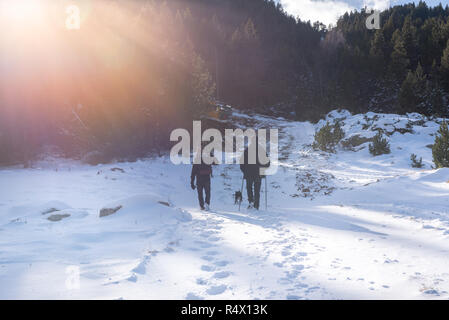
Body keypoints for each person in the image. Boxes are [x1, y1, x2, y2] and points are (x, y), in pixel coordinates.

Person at [240, 137, 270, 210]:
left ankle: (251, 202)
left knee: (249, 188)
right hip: (258, 174)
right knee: (257, 190)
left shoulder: (247, 150)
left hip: (248, 173)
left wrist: (244, 171)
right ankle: (256, 205)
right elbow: (267, 163)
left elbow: (242, 163)